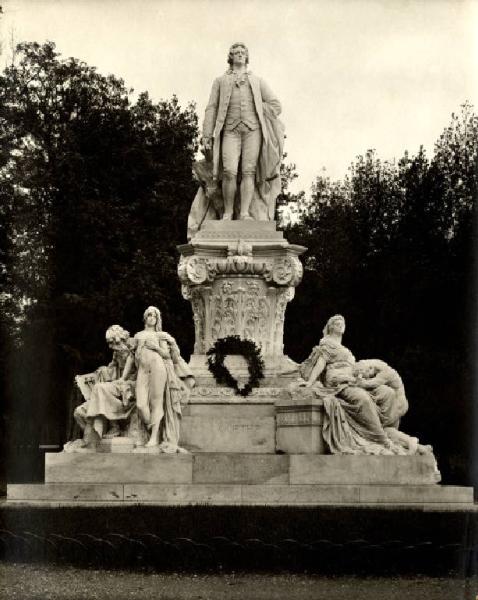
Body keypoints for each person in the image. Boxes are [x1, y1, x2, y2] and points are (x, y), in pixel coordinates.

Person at [202, 42, 284, 221]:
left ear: (247, 57)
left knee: (249, 172)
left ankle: (245, 213)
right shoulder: (220, 81)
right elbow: (212, 108)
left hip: (252, 130)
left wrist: (258, 107)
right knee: (229, 171)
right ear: (230, 57)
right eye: (236, 52)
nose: (239, 54)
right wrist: (207, 135)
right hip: (230, 130)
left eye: (242, 52)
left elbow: (276, 106)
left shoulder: (257, 81)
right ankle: (228, 212)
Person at [299, 315, 400, 455]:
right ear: (330, 327)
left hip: (352, 380)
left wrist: (361, 376)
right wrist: (310, 382)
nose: (340, 325)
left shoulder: (345, 349)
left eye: (342, 323)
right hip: (338, 382)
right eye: (337, 323)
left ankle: (386, 430)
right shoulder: (327, 343)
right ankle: (381, 439)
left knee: (387, 393)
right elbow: (320, 364)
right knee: (363, 398)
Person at [121, 306, 194, 451]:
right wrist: (123, 377)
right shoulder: (138, 336)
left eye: (154, 316)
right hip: (142, 371)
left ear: (157, 319)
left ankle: (154, 437)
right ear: (145, 318)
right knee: (141, 405)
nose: (151, 318)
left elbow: (168, 356)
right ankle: (153, 426)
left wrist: (156, 348)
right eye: (149, 315)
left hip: (158, 369)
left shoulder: (161, 335)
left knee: (156, 402)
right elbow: (130, 357)